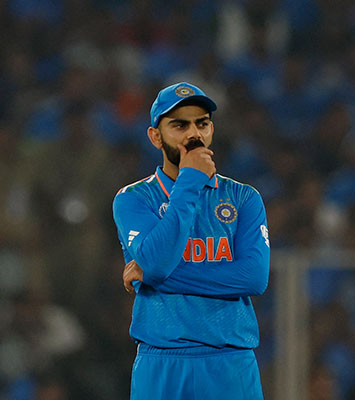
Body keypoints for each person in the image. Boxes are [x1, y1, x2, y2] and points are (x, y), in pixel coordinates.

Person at [112, 82, 270, 400]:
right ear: (155, 136)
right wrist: (191, 178)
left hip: (230, 361)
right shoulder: (133, 199)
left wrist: (156, 278)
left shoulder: (244, 198)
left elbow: (253, 277)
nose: (193, 134)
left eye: (202, 122)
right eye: (179, 125)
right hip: (162, 360)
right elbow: (155, 263)